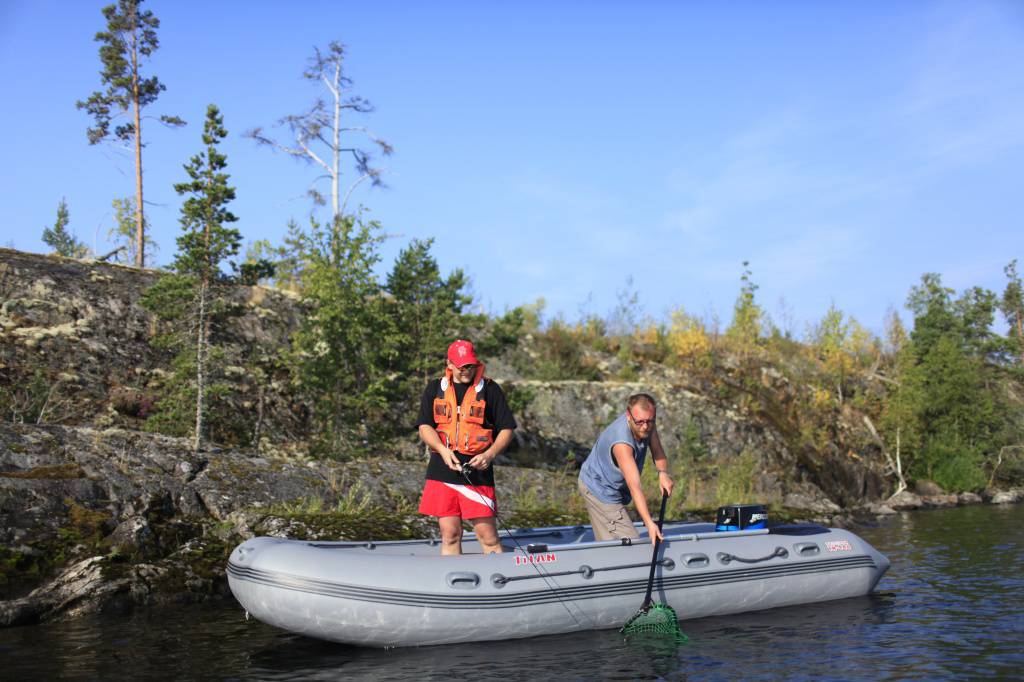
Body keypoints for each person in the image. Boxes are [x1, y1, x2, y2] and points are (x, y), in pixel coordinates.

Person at [417, 339, 516, 555]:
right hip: (442, 469)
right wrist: (442, 450)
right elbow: (425, 427)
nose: (466, 371)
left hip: (477, 470)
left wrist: (489, 455)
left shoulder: (490, 389)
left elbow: (507, 429)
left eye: (470, 366)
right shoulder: (435, 387)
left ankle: (498, 581)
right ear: (449, 364)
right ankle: (454, 584)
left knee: (488, 536)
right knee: (449, 533)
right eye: (461, 366)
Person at [578, 393, 673, 542]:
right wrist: (649, 523)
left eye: (650, 421)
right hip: (599, 488)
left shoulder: (647, 424)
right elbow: (635, 486)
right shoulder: (622, 444)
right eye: (640, 422)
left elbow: (657, 450)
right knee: (630, 541)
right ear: (628, 415)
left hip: (614, 487)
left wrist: (662, 473)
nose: (645, 426)